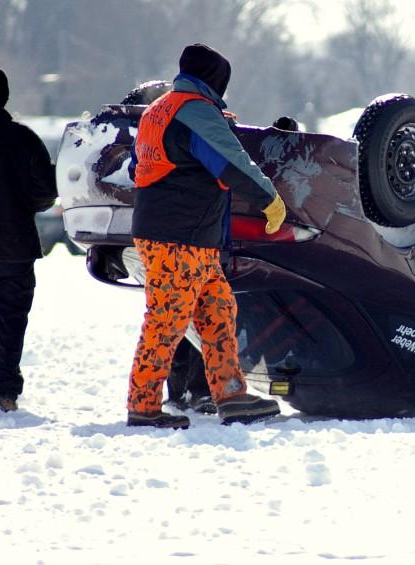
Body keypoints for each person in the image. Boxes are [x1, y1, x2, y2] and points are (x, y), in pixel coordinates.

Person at [127, 43, 286, 429]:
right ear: (216, 79)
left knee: (218, 311)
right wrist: (269, 199)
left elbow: (139, 167)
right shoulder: (195, 111)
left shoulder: (160, 108)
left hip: (187, 238)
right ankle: (143, 406)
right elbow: (233, 163)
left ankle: (231, 393)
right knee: (167, 320)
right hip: (179, 238)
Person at [0, 68, 58, 412]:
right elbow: (46, 193)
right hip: (15, 248)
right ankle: (4, 392)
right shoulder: (24, 138)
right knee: (11, 322)